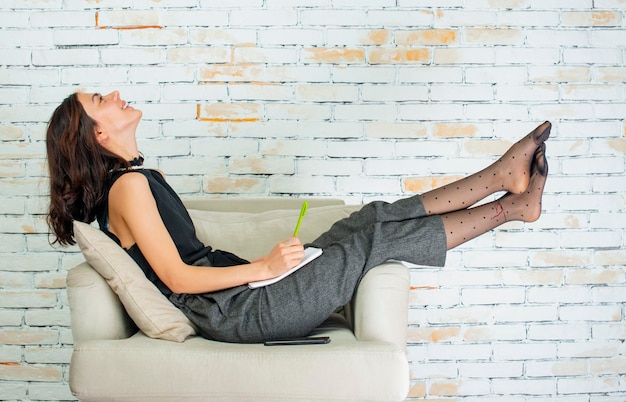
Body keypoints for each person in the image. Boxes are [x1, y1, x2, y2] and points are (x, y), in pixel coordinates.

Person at [46, 90, 550, 343]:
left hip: (239, 297)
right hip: (234, 310)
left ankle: (504, 184)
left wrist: (263, 272)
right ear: (98, 136)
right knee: (367, 242)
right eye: (99, 101)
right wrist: (264, 269)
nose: (113, 96)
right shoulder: (128, 187)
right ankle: (507, 205)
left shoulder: (137, 178)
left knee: (363, 221)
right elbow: (176, 277)